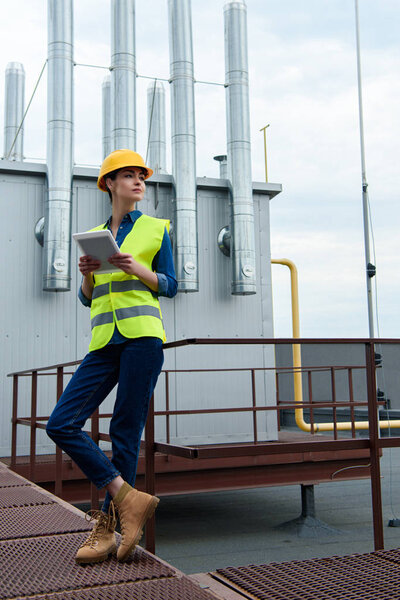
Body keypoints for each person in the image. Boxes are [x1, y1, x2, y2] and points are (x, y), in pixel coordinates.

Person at [46, 149, 177, 564]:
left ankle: (106, 528)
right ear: (109, 184)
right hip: (103, 342)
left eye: (142, 176)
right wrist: (86, 274)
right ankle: (127, 498)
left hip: (142, 340)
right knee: (61, 423)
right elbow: (88, 300)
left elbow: (171, 285)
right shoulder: (94, 235)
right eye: (128, 176)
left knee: (124, 431)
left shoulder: (156, 229)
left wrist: (137, 268)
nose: (139, 181)